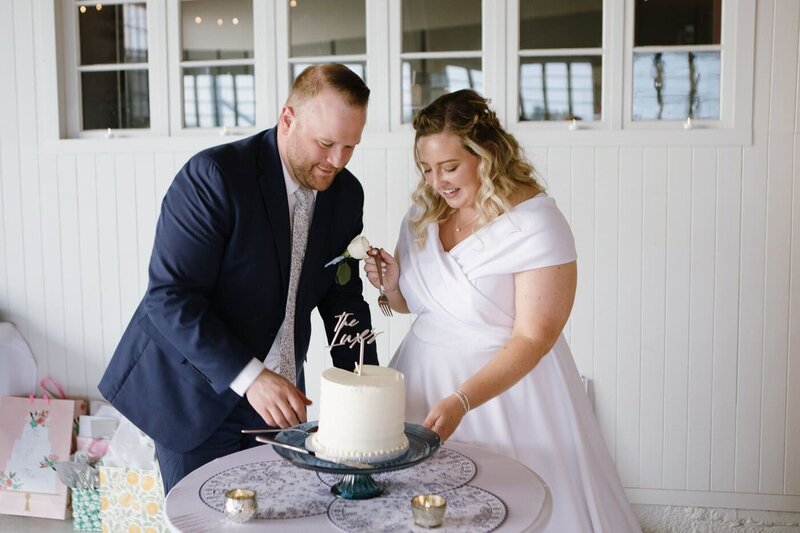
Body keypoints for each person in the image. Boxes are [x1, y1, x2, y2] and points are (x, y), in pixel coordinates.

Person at [364, 89, 640, 532]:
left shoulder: (535, 222)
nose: (437, 182)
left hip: (508, 395)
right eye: (426, 169)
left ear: (486, 153)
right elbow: (413, 306)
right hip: (421, 386)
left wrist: (462, 400)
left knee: (515, 507)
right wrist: (391, 285)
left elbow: (535, 337)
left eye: (450, 167)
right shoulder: (424, 212)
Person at [99, 64, 377, 493]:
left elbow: (342, 296)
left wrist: (366, 387)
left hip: (281, 401)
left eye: (350, 146)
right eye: (325, 143)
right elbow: (170, 298)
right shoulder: (215, 177)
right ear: (288, 119)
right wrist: (250, 377)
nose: (336, 161)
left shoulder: (346, 193)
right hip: (194, 396)